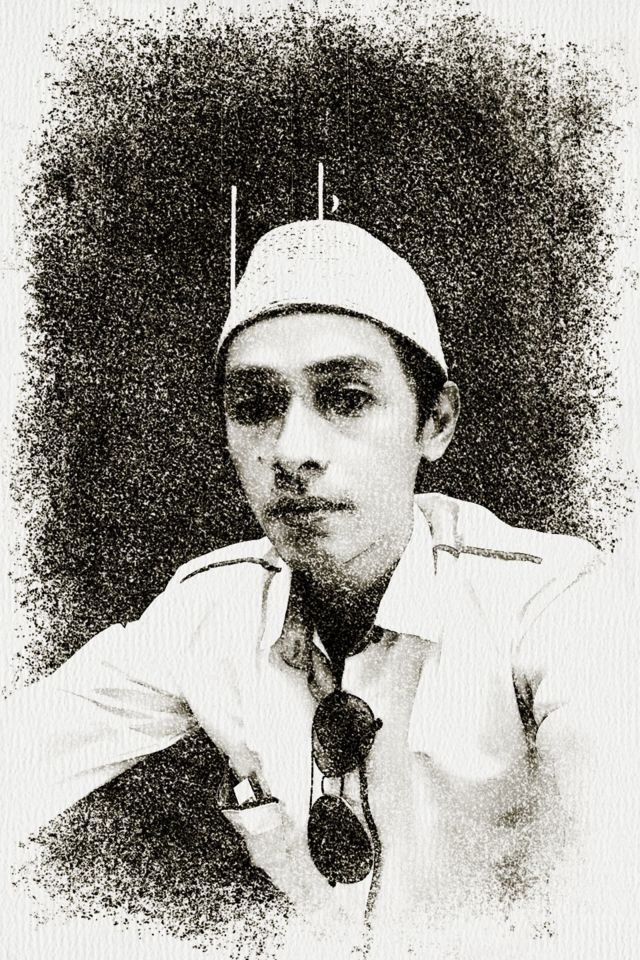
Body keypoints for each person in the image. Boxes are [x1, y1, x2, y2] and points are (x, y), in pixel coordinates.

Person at [3, 219, 606, 956]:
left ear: (436, 422)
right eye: (256, 406)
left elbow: (612, 899)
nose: (291, 451)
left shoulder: (557, 605)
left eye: (346, 398)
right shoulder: (210, 608)